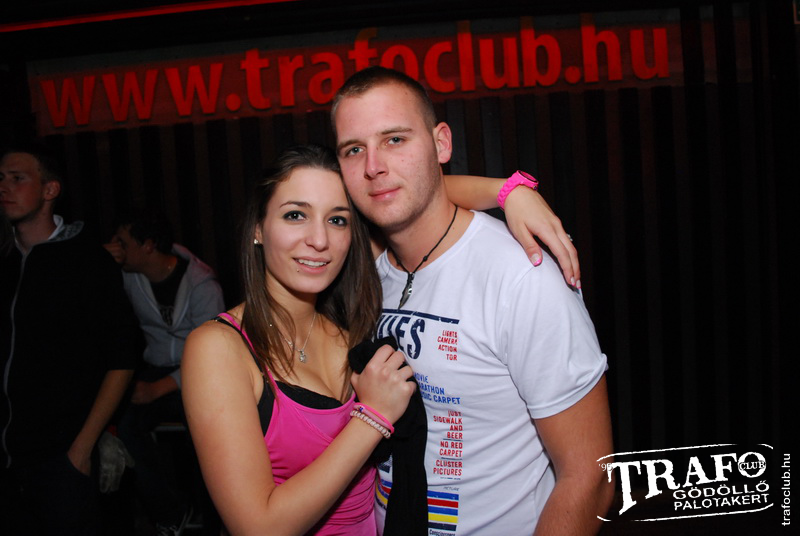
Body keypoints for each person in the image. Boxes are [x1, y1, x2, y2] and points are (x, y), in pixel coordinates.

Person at [331, 66, 614, 534]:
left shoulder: (521, 276)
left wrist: (512, 191)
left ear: (441, 144)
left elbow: (591, 477)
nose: (373, 166)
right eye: (354, 149)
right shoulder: (358, 265)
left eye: (395, 139)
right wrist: (506, 190)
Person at [181, 144, 417, 535]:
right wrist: (373, 417)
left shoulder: (351, 326)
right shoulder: (219, 348)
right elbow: (258, 528)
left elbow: (417, 197)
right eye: (296, 215)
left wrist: (509, 192)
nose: (319, 240)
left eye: (337, 220)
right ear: (258, 228)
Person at [0, 141, 140, 536]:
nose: (4, 187)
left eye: (17, 178)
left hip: (60, 458)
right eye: (0, 178)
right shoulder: (6, 262)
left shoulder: (86, 261)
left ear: (50, 190)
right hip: (9, 460)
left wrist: (82, 448)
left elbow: (123, 358)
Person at [103, 210, 224, 535]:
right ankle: (170, 512)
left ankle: (215, 521)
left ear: (148, 245)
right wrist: (100, 260)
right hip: (155, 366)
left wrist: (160, 388)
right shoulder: (129, 276)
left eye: (122, 242)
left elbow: (215, 357)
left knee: (206, 432)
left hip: (202, 372)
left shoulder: (201, 283)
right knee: (122, 424)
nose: (115, 247)